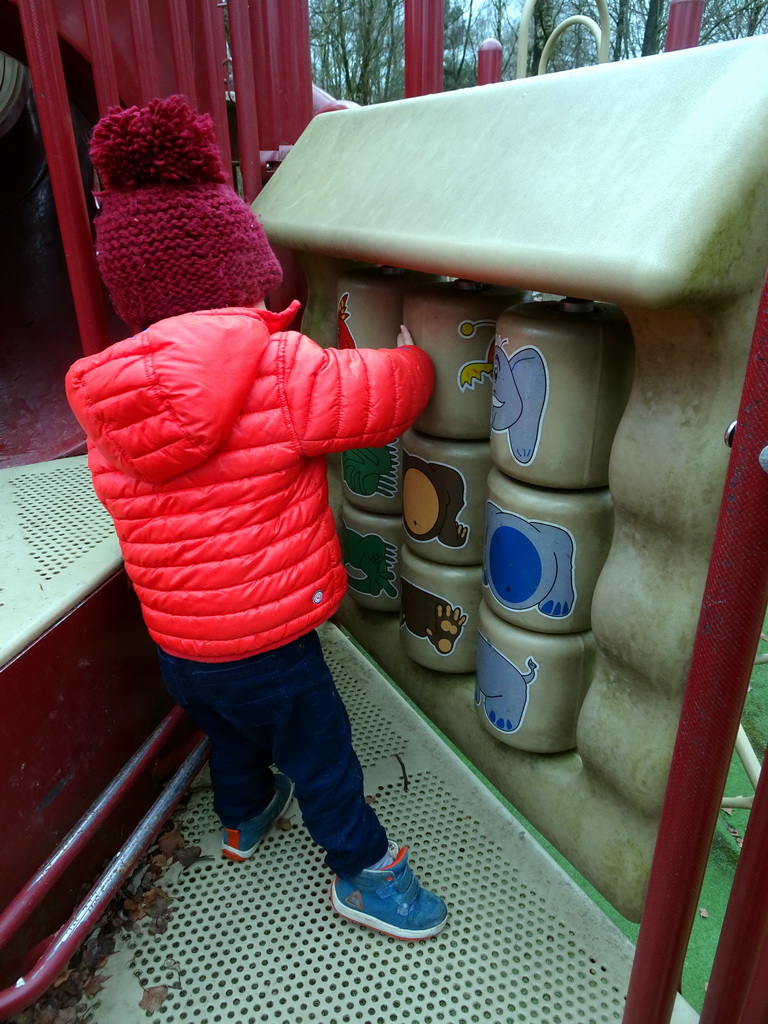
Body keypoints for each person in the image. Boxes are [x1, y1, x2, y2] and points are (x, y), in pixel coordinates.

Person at [65, 96, 447, 941]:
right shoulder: (279, 370)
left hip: (182, 647)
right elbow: (379, 399)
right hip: (271, 645)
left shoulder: (105, 403)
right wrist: (426, 358)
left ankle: (242, 819)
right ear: (241, 268)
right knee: (323, 756)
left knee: (231, 736)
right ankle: (361, 871)